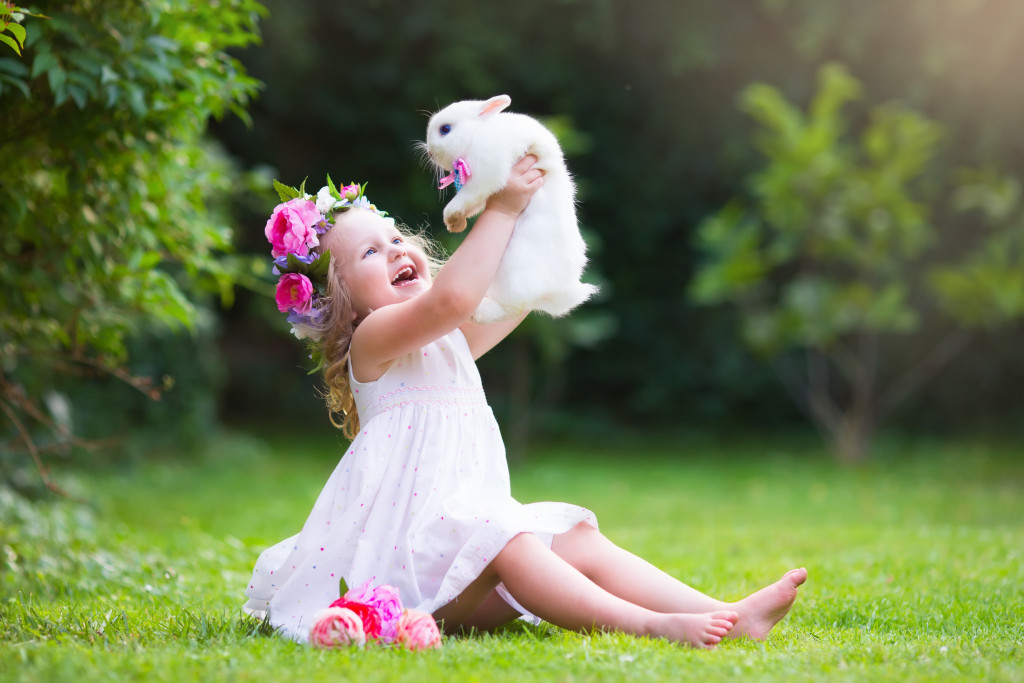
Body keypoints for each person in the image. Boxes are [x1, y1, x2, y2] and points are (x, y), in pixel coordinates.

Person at [245, 157, 807, 648]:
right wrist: (504, 211)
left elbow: (513, 297)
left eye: (394, 238)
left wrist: (536, 215)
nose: (395, 250)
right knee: (506, 537)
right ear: (341, 299)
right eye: (371, 251)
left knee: (576, 539)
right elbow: (454, 298)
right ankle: (648, 626)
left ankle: (724, 615)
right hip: (410, 580)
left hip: (462, 567)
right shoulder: (373, 341)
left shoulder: (448, 342)